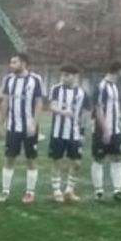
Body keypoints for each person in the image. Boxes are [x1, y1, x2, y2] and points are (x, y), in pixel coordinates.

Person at [0, 52, 46, 203]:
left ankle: (30, 192)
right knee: (9, 158)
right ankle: (5, 190)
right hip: (13, 127)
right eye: (11, 62)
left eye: (14, 62)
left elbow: (39, 103)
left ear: (23, 63)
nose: (11, 65)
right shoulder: (9, 79)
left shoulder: (35, 79)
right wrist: (1, 124)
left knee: (31, 159)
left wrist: (34, 123)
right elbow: (5, 102)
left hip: (29, 127)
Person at [48, 65, 89, 203]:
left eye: (67, 75)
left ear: (75, 76)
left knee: (77, 163)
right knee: (57, 161)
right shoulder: (56, 89)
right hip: (58, 133)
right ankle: (57, 191)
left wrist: (82, 132)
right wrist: (63, 112)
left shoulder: (82, 93)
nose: (64, 78)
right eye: (62, 75)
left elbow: (85, 113)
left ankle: (69, 190)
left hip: (74, 133)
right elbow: (52, 106)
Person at [91, 61, 121, 200]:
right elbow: (98, 109)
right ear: (119, 70)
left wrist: (117, 122)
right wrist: (105, 130)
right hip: (102, 130)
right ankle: (98, 190)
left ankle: (117, 190)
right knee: (99, 158)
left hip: (115, 130)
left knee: (117, 158)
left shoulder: (114, 86)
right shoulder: (102, 86)